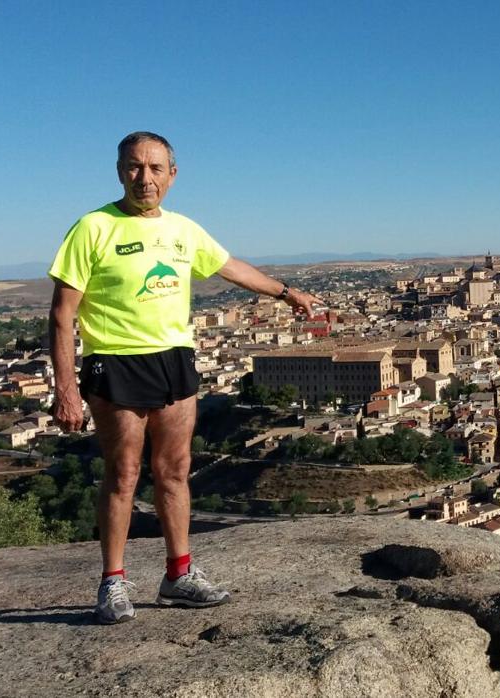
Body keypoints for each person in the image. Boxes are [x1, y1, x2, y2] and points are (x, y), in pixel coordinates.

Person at [48, 132, 320, 624]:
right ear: (118, 171)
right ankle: (112, 581)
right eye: (134, 167)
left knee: (174, 470)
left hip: (174, 359)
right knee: (123, 474)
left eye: (155, 168)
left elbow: (230, 267)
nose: (144, 178)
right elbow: (61, 314)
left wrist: (285, 292)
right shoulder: (92, 228)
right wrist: (65, 388)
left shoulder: (182, 230)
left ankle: (179, 573)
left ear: (172, 174)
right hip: (116, 359)